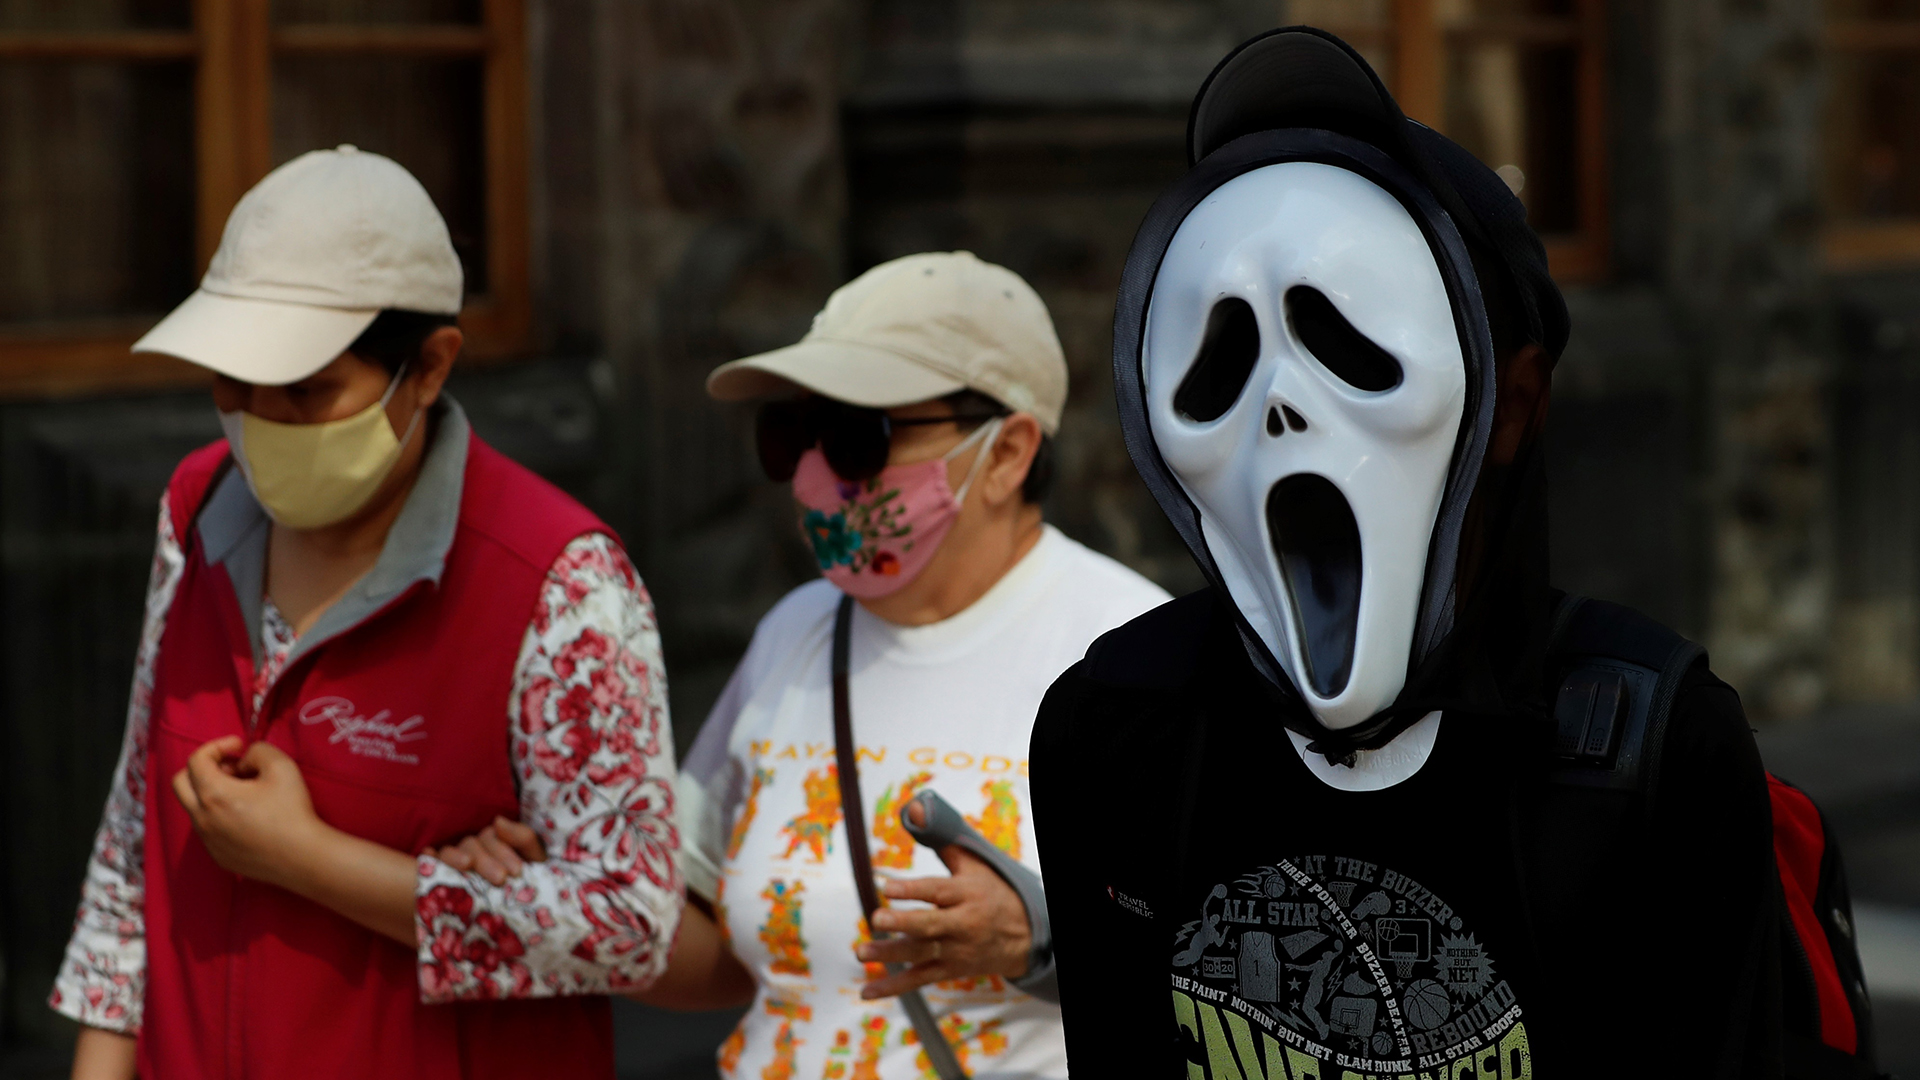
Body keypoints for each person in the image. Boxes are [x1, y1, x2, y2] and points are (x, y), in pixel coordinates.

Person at [1028, 29, 1781, 1080]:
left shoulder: (1648, 748)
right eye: (1221, 360)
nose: (1280, 404)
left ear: (1512, 402)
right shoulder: (1119, 727)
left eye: (1347, 344)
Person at [457, 251, 1169, 1079]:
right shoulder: (794, 633)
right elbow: (718, 957)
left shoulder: (1131, 656)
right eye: (793, 435)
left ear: (1007, 453)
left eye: (857, 439)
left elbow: (1221, 967)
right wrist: (571, 879)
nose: (810, 478)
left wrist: (1037, 939)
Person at [51, 146, 682, 1080]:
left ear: (428, 367)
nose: (260, 417)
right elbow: (129, 864)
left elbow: (631, 923)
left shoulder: (560, 585)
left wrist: (310, 859)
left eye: (306, 390)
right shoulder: (196, 514)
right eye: (233, 380)